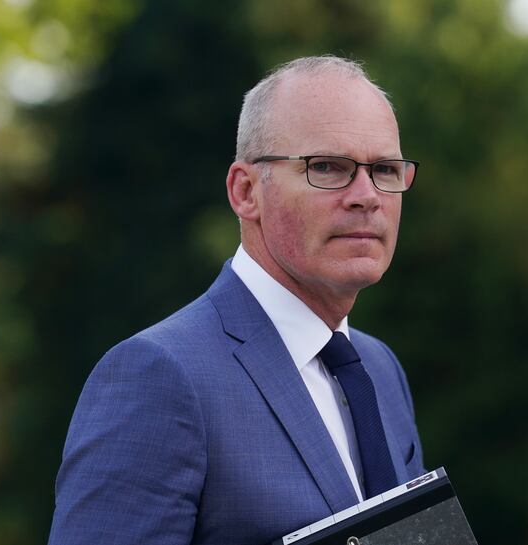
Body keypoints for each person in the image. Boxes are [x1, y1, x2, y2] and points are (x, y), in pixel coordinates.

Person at [48, 55, 426, 545]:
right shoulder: (160, 376)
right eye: (328, 168)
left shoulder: (379, 370)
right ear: (246, 191)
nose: (367, 195)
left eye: (385, 169)